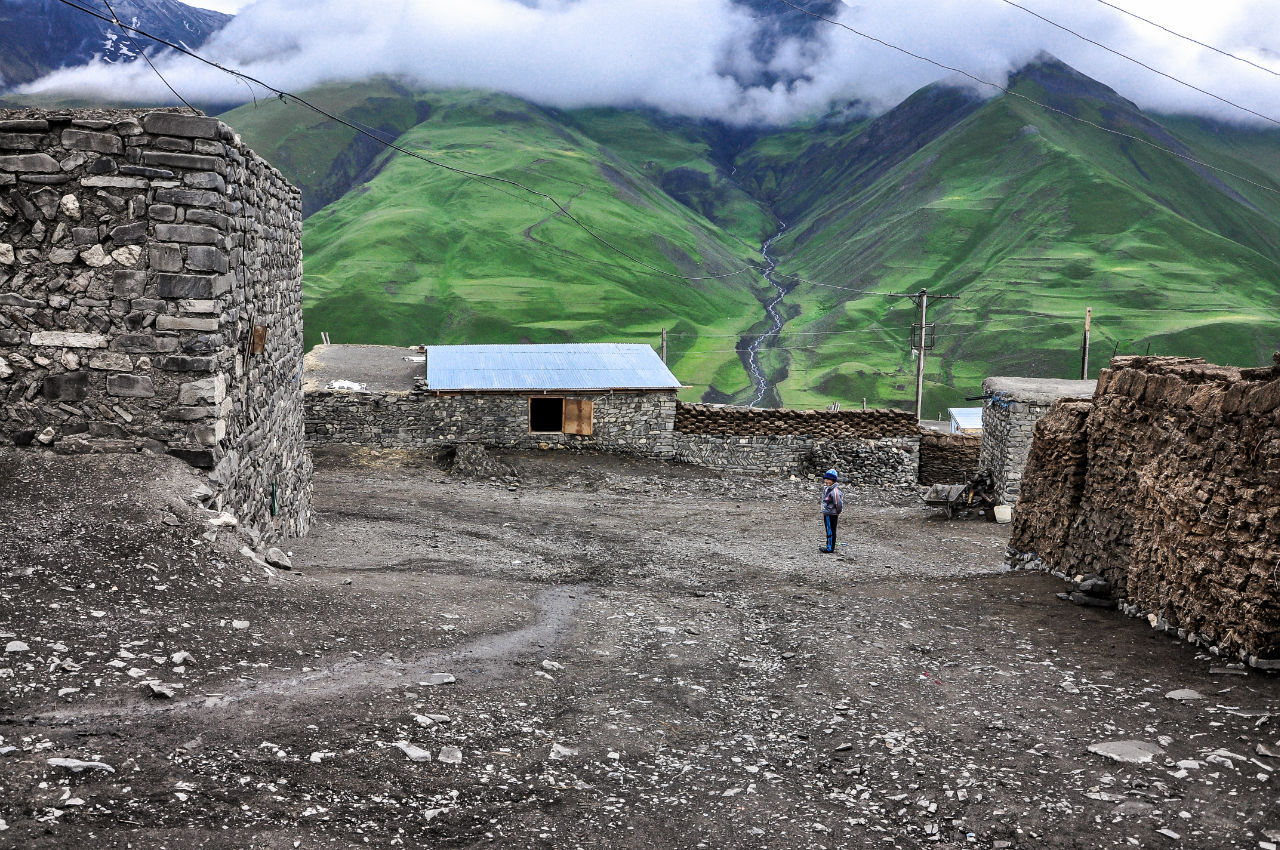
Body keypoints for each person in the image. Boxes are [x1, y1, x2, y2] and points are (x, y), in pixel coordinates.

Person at [819, 468, 842, 553]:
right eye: (826, 479)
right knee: (830, 529)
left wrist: (837, 512)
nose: (827, 481)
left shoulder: (834, 492)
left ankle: (829, 548)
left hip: (831, 513)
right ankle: (830, 545)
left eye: (830, 480)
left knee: (830, 530)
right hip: (828, 512)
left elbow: (838, 504)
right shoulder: (827, 489)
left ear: (834, 480)